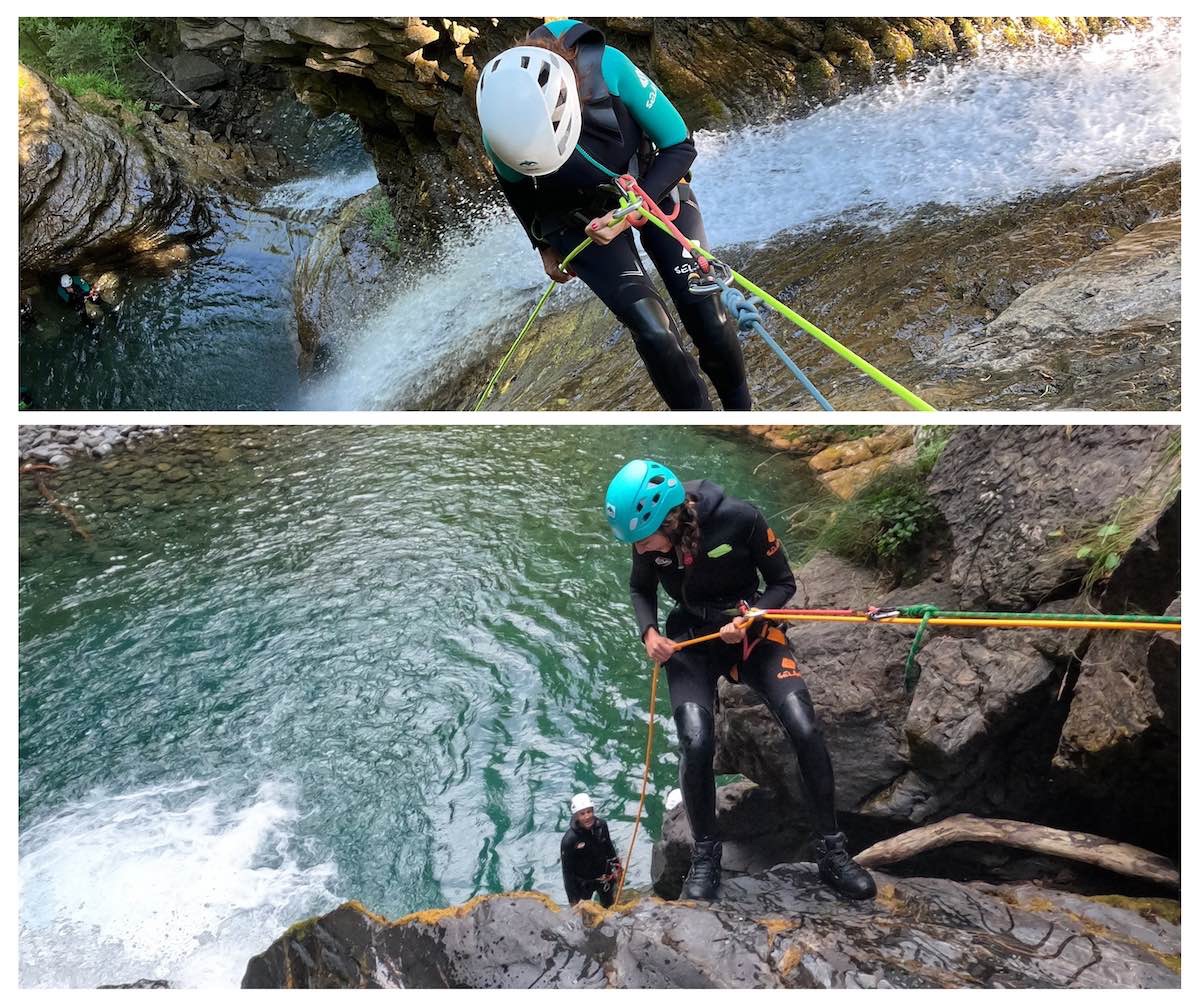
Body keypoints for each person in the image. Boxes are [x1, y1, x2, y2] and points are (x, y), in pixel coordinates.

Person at [603, 458, 877, 903]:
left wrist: (752, 616)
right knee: (695, 741)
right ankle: (706, 855)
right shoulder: (647, 544)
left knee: (804, 728)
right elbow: (640, 589)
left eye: (643, 538)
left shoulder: (740, 518)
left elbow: (783, 583)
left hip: (752, 631)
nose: (638, 550)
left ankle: (832, 852)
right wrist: (650, 632)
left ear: (671, 518)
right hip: (692, 636)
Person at [475, 19, 751, 412]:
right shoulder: (499, 127)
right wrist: (543, 247)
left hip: (651, 184)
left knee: (708, 313)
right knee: (654, 332)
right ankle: (704, 422)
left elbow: (679, 145)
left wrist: (632, 209)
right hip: (574, 214)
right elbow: (519, 192)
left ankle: (741, 413)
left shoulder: (610, 68)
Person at [560, 793, 623, 907]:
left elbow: (609, 847)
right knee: (586, 914)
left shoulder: (601, 825)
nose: (587, 816)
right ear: (576, 816)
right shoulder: (569, 840)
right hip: (584, 883)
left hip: (604, 877)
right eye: (582, 813)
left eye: (589, 811)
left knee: (608, 905)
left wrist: (617, 867)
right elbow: (567, 872)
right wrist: (572, 899)